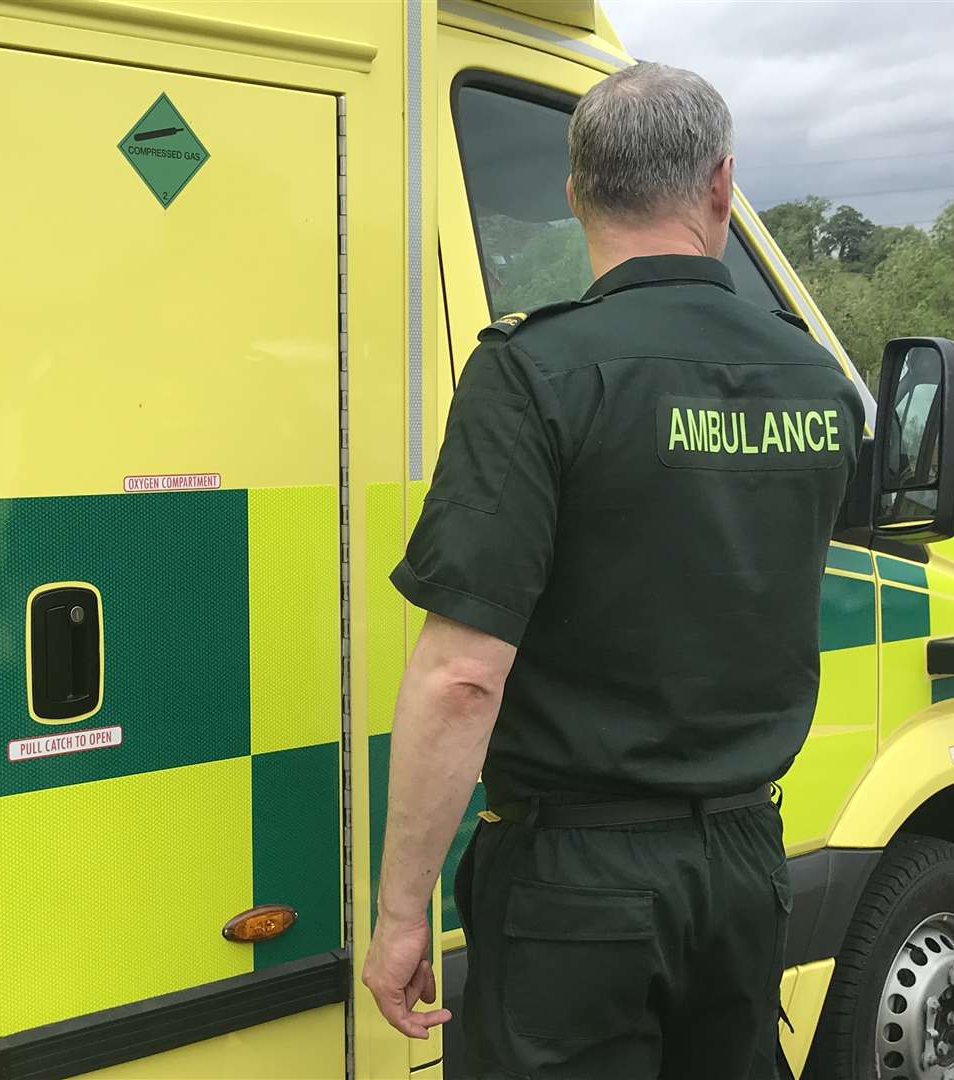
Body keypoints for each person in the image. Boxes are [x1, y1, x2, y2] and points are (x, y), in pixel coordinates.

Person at [361, 62, 865, 1080]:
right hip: (741, 865)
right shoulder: (813, 377)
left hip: (574, 882)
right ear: (721, 185)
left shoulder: (534, 372)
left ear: (573, 193)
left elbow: (462, 675)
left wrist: (398, 910)